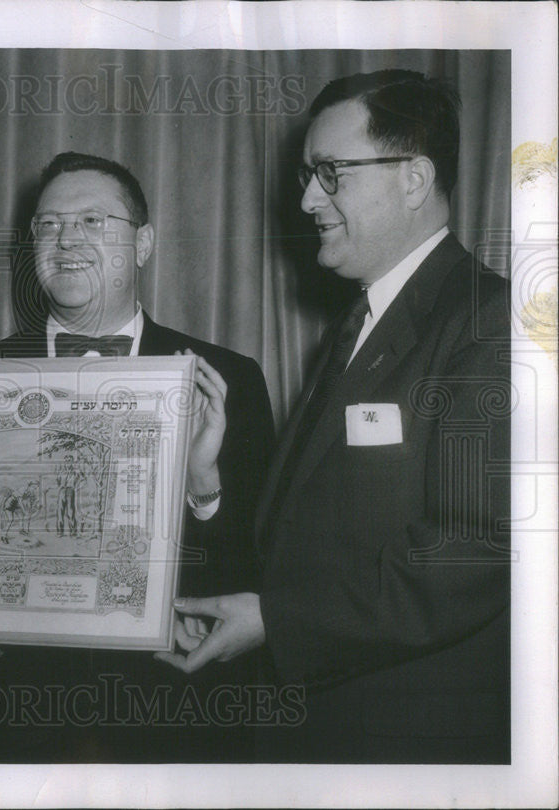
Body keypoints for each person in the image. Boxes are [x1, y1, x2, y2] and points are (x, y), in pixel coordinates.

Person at [157, 70, 511, 764]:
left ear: (413, 179)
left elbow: (472, 551)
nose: (307, 198)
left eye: (330, 174)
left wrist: (274, 622)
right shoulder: (360, 325)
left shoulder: (489, 323)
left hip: (408, 747)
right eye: (305, 175)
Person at [0, 151, 275, 761]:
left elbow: (258, 566)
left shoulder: (226, 377)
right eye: (48, 225)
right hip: (3, 720)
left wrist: (200, 483)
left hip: (172, 718)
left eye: (93, 221)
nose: (66, 238)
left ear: (144, 243)